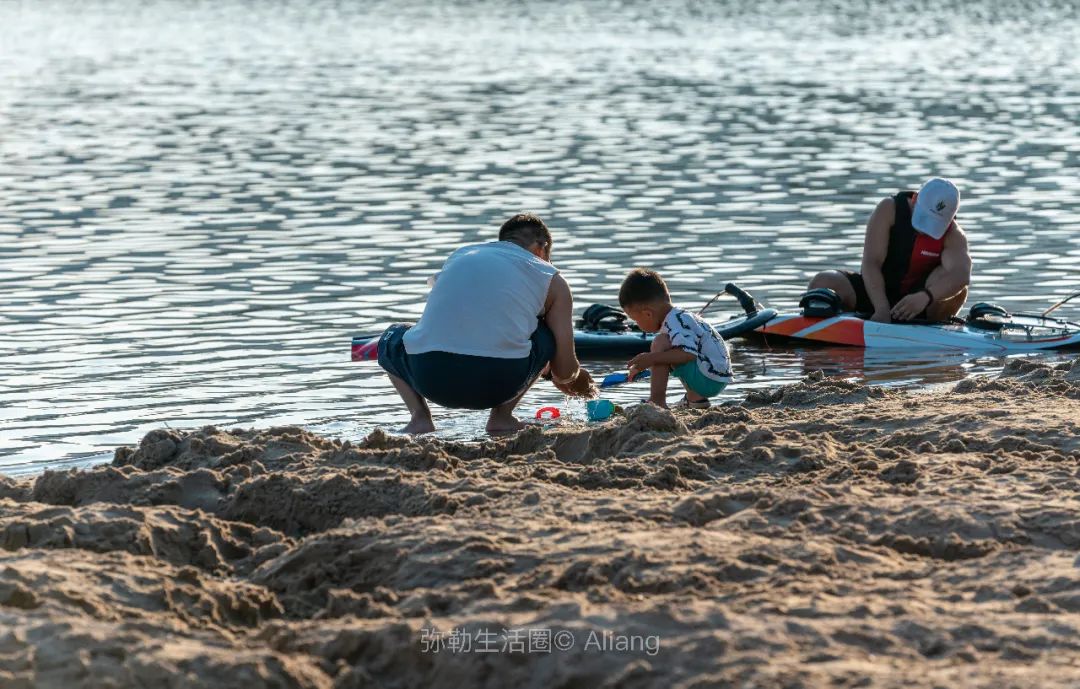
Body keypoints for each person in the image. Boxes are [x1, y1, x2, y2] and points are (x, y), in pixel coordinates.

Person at [377, 213, 596, 434]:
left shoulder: (461, 255)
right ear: (541, 248)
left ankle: (420, 418)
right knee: (546, 331)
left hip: (430, 379)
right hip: (497, 382)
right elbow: (566, 372)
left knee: (392, 335)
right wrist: (577, 379)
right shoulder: (550, 276)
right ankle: (502, 418)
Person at [806, 177, 972, 322]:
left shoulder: (954, 235)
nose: (925, 228)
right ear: (914, 199)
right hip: (876, 293)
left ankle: (932, 328)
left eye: (935, 222)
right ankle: (827, 323)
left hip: (920, 303)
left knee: (958, 289)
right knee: (822, 281)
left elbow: (961, 275)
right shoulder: (889, 209)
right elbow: (871, 263)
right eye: (924, 217)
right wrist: (882, 309)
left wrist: (925, 297)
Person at [618, 268, 733, 409]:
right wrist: (646, 364)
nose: (636, 325)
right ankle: (696, 400)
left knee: (660, 343)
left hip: (709, 379)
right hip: (716, 377)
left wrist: (651, 358)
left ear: (648, 314)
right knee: (665, 352)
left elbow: (687, 355)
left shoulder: (675, 323)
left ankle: (657, 402)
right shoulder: (679, 317)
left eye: (635, 320)